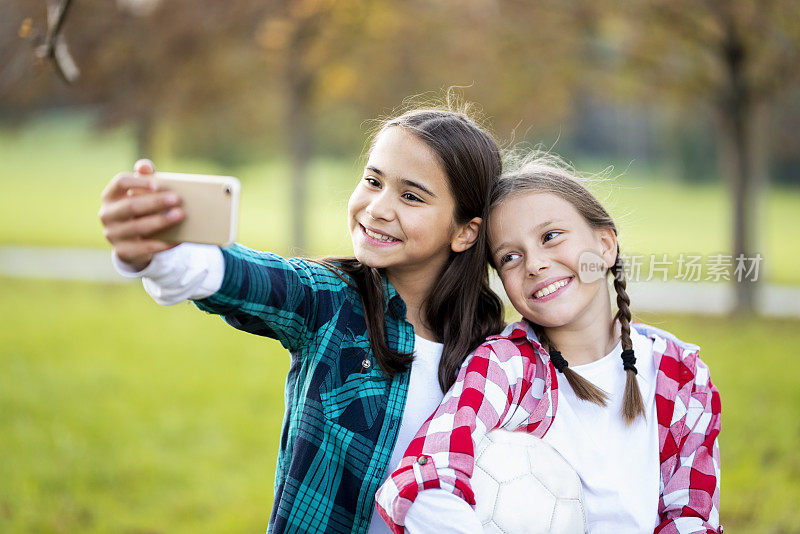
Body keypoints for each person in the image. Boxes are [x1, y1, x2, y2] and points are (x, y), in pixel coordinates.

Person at [98, 106, 507, 534]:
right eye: (373, 181)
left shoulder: (497, 354)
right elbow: (250, 278)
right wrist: (158, 252)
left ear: (465, 232)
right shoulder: (331, 301)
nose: (378, 208)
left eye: (411, 196)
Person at [376, 155, 722, 533]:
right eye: (510, 257)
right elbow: (423, 479)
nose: (535, 264)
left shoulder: (680, 375)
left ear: (605, 246)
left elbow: (692, 516)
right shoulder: (508, 367)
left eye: (551, 236)